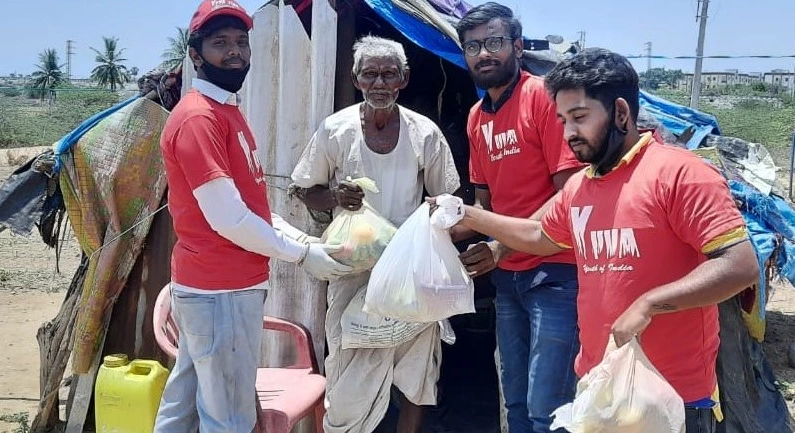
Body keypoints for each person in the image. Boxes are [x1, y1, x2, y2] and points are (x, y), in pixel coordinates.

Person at [438, 48, 760, 433]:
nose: (568, 133)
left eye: (579, 118)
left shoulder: (680, 174)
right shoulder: (581, 186)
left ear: (621, 113)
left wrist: (649, 303)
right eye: (562, 120)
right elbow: (539, 235)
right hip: (600, 385)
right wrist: (468, 214)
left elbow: (739, 265)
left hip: (670, 395)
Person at [154, 1, 351, 432]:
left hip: (213, 289)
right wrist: (301, 257)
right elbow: (230, 221)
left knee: (184, 405)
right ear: (195, 53)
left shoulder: (227, 112)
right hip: (220, 290)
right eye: (220, 42)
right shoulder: (199, 119)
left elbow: (252, 210)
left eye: (241, 41)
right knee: (229, 419)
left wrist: (306, 243)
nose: (235, 52)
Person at [290, 36, 462, 433]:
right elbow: (305, 189)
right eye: (370, 74)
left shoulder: (425, 133)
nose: (379, 82)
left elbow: (446, 200)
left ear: (403, 79)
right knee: (350, 368)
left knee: (416, 370)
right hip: (353, 274)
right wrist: (333, 195)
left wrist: (429, 231)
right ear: (356, 79)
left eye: (388, 73)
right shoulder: (336, 130)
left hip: (411, 274)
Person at [453, 3, 585, 432]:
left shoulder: (543, 98)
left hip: (555, 273)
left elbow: (570, 193)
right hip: (508, 279)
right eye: (473, 46)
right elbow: (484, 205)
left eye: (493, 42)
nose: (483, 54)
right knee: (514, 398)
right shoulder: (476, 119)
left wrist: (500, 245)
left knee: (548, 404)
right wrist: (429, 232)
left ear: (517, 45)